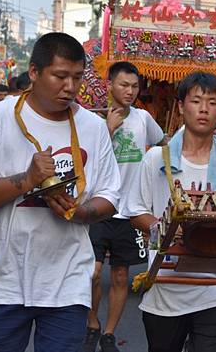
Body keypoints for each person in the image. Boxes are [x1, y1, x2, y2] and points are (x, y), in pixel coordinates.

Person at [0, 32, 121, 352]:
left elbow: (111, 197)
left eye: (77, 78)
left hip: (68, 283)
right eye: (60, 76)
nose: (70, 87)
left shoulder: (93, 126)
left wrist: (80, 212)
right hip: (5, 281)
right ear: (34, 72)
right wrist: (28, 178)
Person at [126, 72, 216, 352]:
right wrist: (165, 228)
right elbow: (136, 211)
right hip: (165, 291)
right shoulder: (157, 158)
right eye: (196, 101)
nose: (203, 109)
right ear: (181, 106)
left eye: (212, 102)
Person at [83, 62, 165, 352]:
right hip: (98, 207)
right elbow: (87, 162)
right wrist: (108, 129)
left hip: (129, 211)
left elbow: (164, 144)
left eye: (134, 86)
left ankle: (108, 333)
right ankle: (92, 322)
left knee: (120, 275)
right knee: (92, 273)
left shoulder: (143, 118)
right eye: (123, 85)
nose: (130, 91)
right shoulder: (93, 121)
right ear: (109, 86)